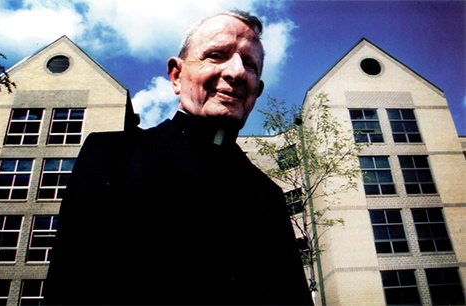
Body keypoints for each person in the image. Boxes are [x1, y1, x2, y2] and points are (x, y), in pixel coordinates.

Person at [44, 10, 313, 305]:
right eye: (216, 55)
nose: (236, 72)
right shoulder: (112, 158)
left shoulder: (269, 196)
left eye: (249, 64)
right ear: (176, 75)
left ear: (256, 91)